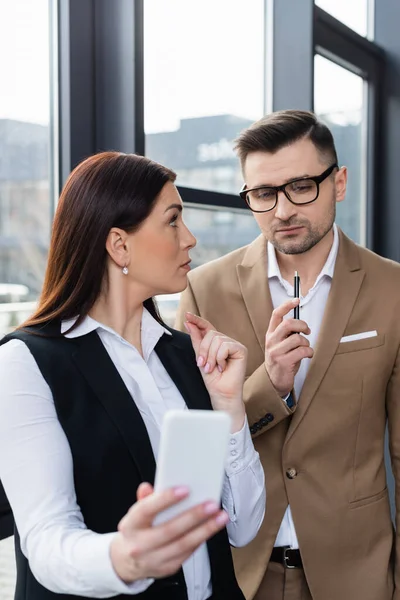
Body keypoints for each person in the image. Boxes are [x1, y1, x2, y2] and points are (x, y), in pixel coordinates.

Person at [0, 151, 266, 600]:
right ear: (119, 245)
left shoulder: (187, 355)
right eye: (173, 221)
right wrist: (126, 558)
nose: (191, 239)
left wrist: (229, 407)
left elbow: (242, 529)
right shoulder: (27, 363)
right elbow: (45, 541)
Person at [175, 109, 400, 600]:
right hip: (239, 573)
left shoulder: (393, 289)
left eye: (301, 186)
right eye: (263, 194)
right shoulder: (203, 290)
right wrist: (268, 385)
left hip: (357, 574)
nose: (282, 211)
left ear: (339, 182)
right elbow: (190, 445)